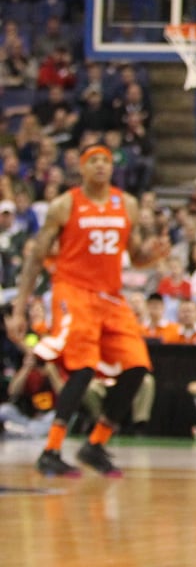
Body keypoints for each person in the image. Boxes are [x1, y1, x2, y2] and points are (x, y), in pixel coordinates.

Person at [7, 144, 170, 476]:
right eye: (92, 160)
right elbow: (36, 258)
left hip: (110, 296)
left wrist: (153, 255)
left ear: (112, 168)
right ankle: (51, 450)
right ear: (81, 168)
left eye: (105, 161)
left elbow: (136, 256)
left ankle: (95, 444)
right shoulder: (64, 205)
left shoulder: (127, 203)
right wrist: (20, 309)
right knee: (82, 368)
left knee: (138, 366)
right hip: (73, 291)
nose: (100, 165)